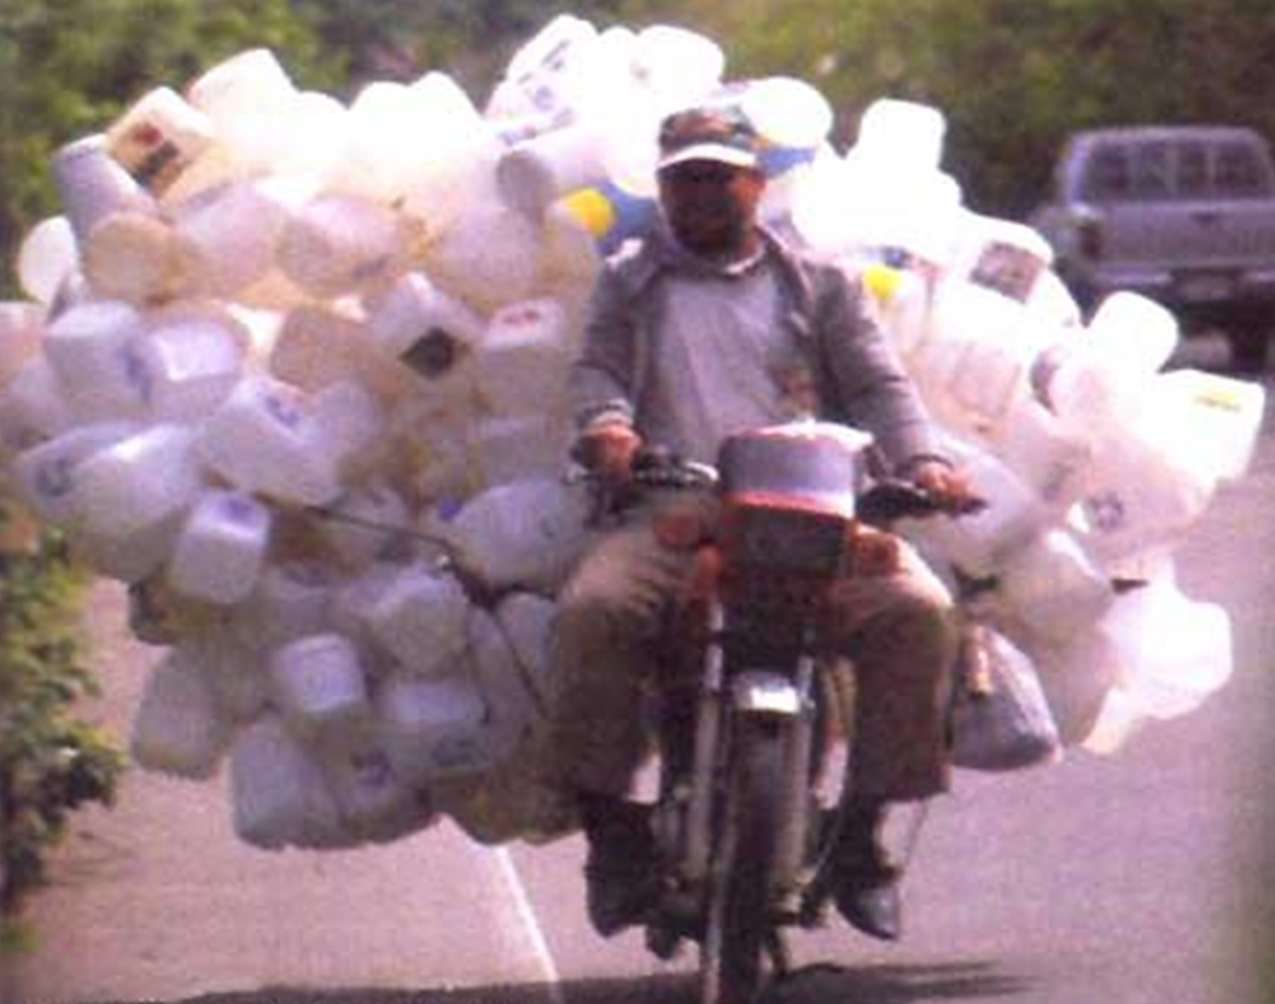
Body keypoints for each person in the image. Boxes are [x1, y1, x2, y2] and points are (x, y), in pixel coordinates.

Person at [545, 105, 973, 943]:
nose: (700, 192)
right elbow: (597, 370)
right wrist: (609, 430)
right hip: (673, 515)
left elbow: (882, 389)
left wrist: (920, 464)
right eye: (684, 178)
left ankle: (860, 837)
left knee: (919, 614)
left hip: (809, 508)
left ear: (757, 184)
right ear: (662, 188)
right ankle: (610, 838)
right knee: (591, 614)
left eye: (718, 176)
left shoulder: (821, 285)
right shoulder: (629, 280)